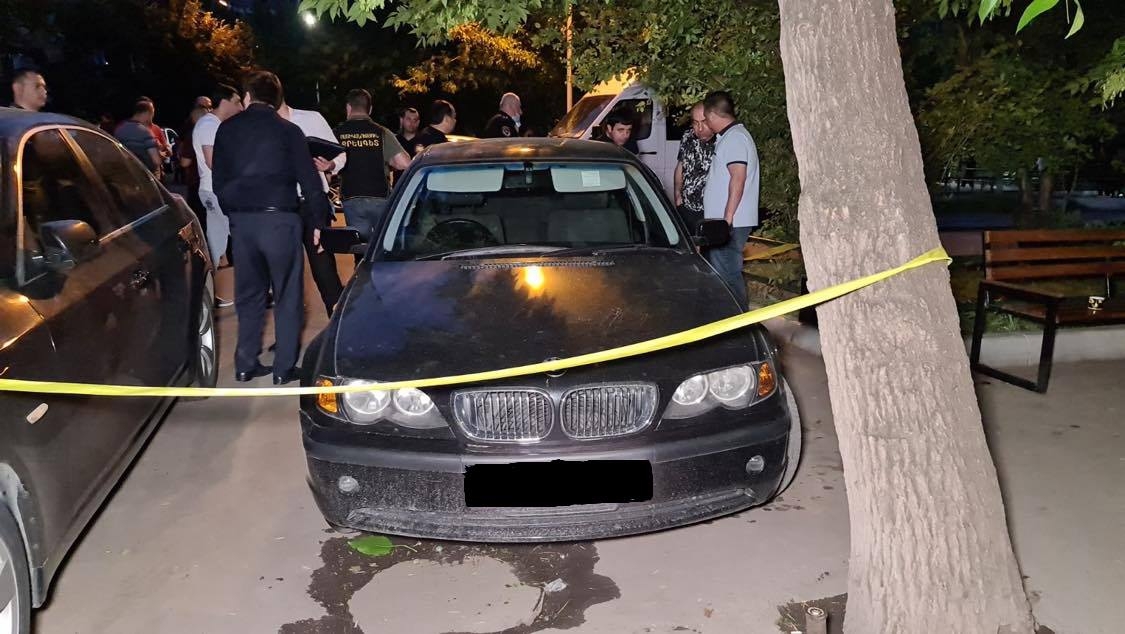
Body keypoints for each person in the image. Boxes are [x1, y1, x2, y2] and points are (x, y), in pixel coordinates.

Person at [212, 70, 330, 385]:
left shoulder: (226, 130)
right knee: (287, 294)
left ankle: (245, 364)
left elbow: (218, 180)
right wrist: (319, 221)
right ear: (277, 101)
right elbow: (310, 182)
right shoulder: (288, 131)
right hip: (280, 220)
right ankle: (283, 368)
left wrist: (234, 213)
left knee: (248, 295)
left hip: (243, 222)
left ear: (247, 97)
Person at [279, 96, 347, 317]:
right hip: (280, 206)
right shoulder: (262, 127)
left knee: (322, 264)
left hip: (313, 203)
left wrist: (331, 164)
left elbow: (340, 153)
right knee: (285, 268)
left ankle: (337, 318)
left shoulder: (311, 118)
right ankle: (289, 325)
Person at [701, 91, 759, 311]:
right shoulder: (731, 136)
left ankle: (737, 319)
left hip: (729, 222)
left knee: (727, 274)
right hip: (726, 220)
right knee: (724, 272)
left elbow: (738, 178)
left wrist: (727, 219)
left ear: (712, 115)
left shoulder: (735, 138)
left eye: (706, 119)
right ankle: (730, 316)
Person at [334, 89, 411, 244]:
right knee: (382, 245)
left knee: (359, 247)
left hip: (351, 198)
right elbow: (404, 163)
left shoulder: (337, 133)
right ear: (370, 109)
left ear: (348, 108)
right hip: (380, 196)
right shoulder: (381, 132)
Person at [193, 83, 243, 307]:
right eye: (237, 102)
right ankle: (255, 291)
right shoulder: (210, 125)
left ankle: (204, 296)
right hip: (216, 192)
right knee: (240, 238)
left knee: (216, 243)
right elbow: (213, 161)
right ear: (225, 101)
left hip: (213, 191)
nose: (240, 107)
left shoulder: (211, 124)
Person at [673, 102, 716, 231]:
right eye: (695, 123)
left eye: (704, 122)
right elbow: (681, 165)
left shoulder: (722, 141)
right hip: (686, 208)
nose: (700, 128)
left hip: (712, 212)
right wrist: (677, 195)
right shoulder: (688, 136)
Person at [115, 100, 163, 176]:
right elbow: (156, 160)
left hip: (125, 174)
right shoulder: (146, 132)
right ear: (147, 113)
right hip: (144, 176)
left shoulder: (119, 129)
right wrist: (161, 156)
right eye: (152, 114)